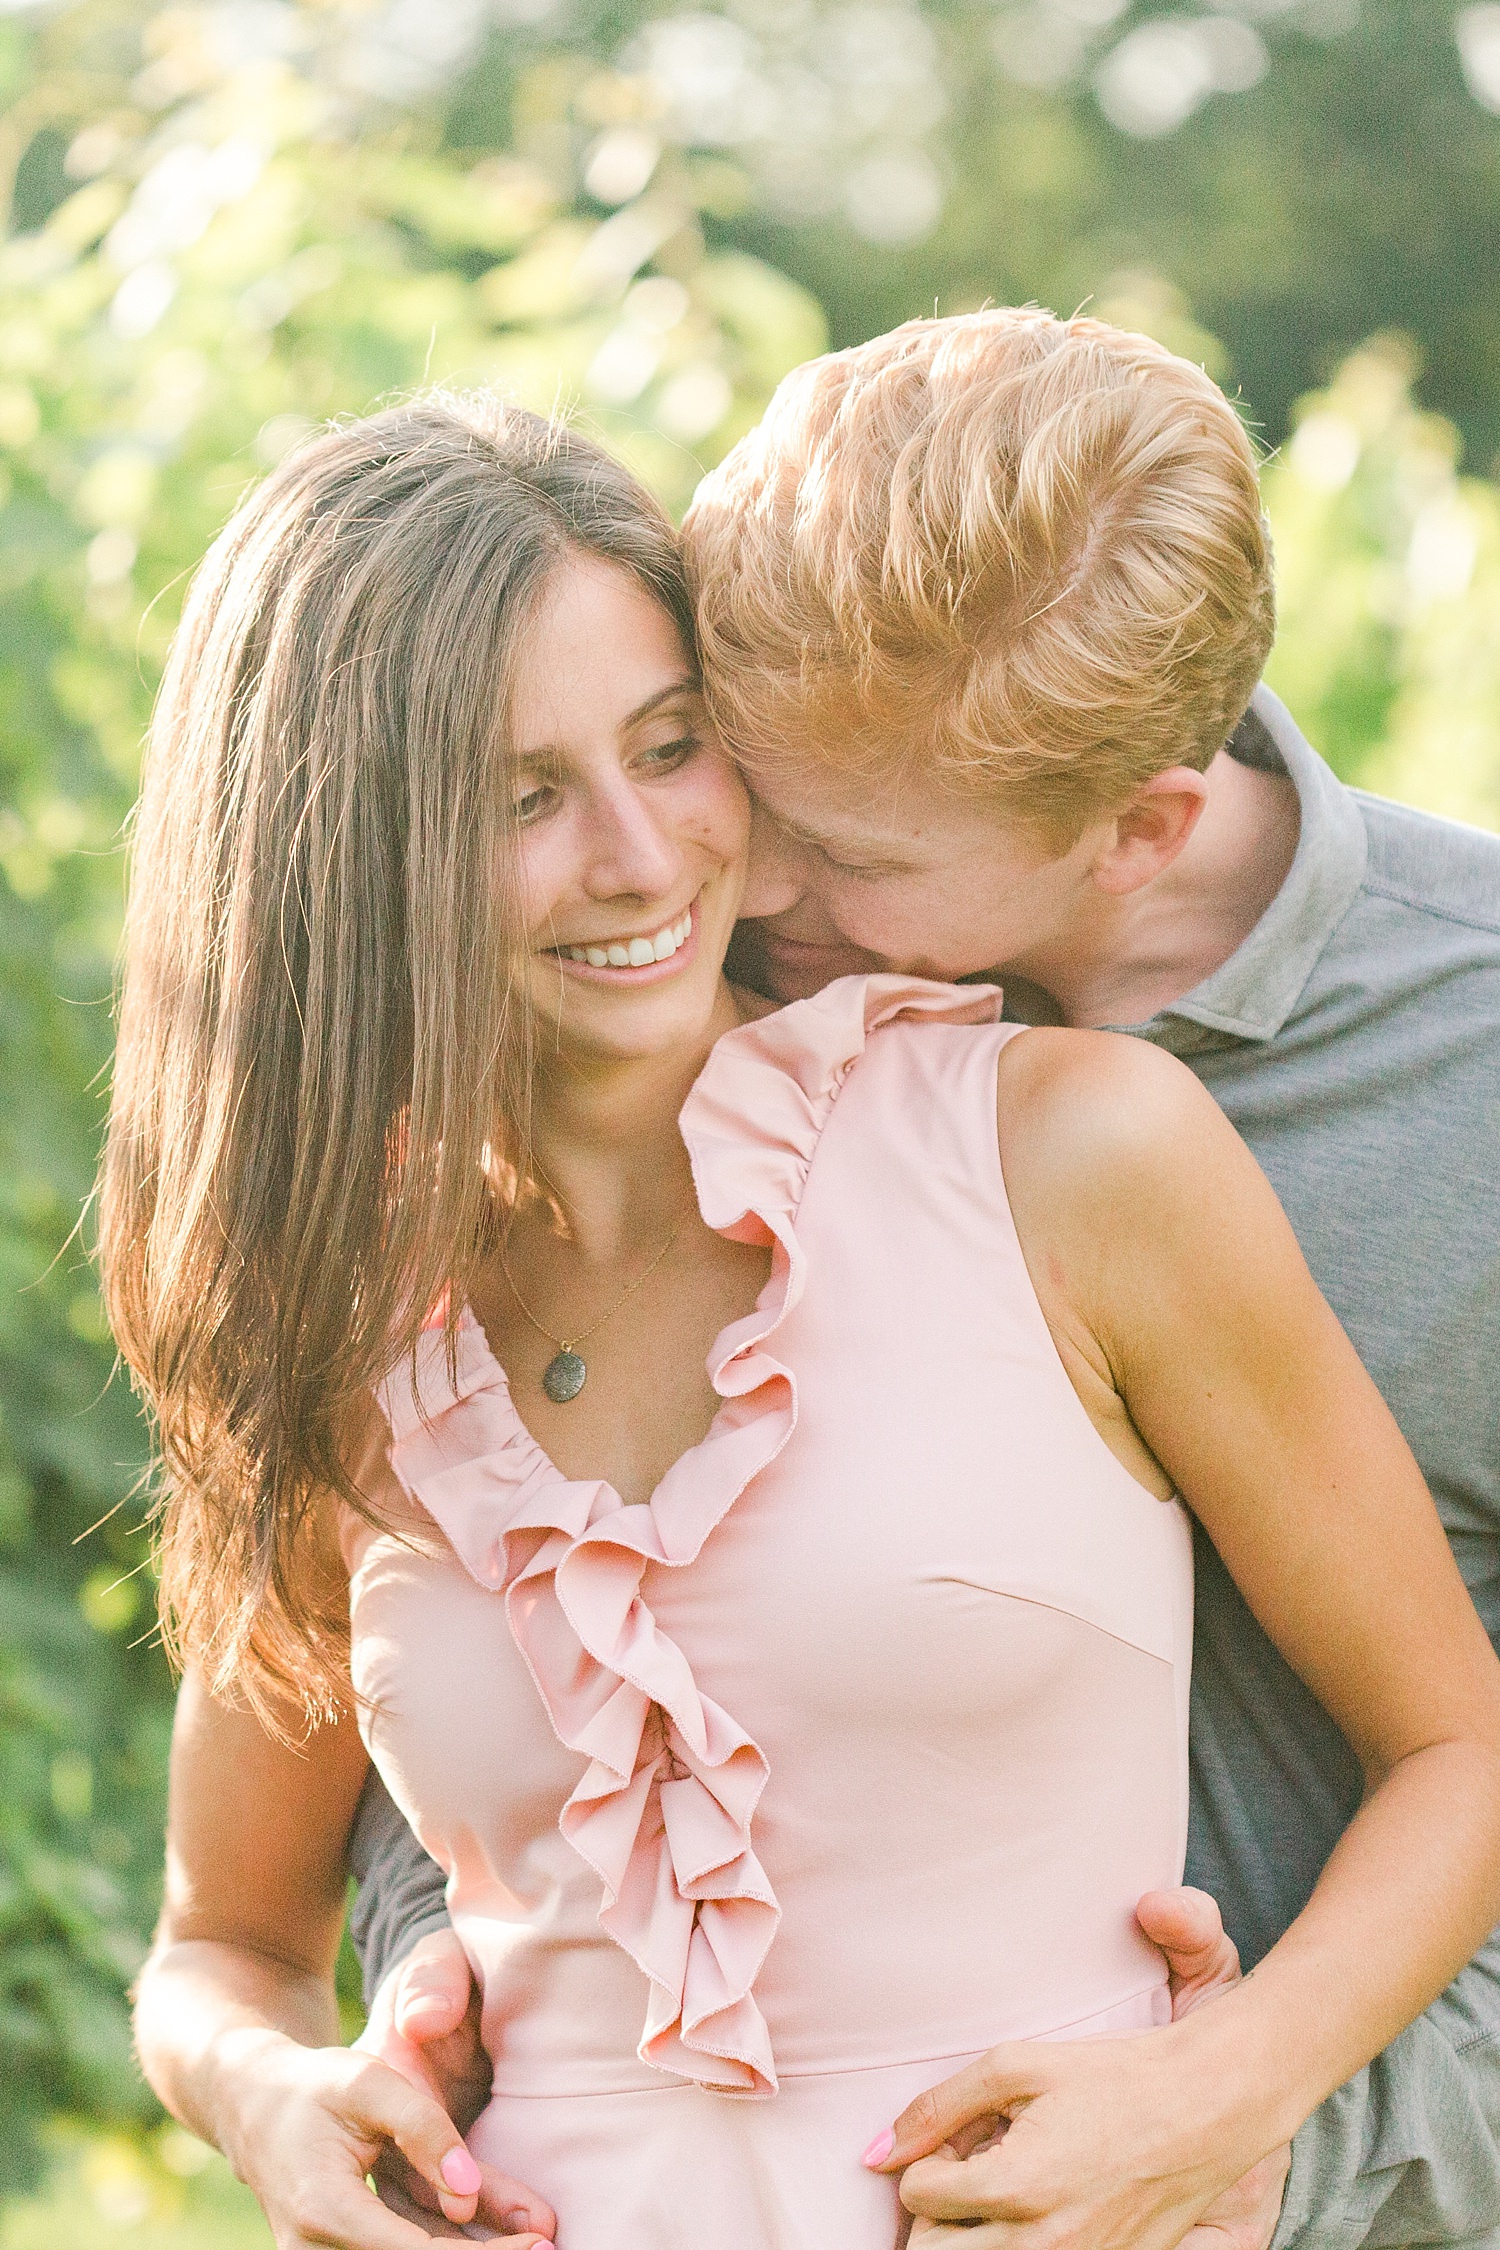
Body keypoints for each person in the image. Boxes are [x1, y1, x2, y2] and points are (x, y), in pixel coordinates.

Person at [114, 380, 1500, 2250]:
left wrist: (1242, 2097)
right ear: (349, 863)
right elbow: (224, 1933)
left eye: (674, 746)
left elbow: (1455, 1741)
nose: (692, 863)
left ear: (1139, 832)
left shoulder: (1074, 1145)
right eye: (525, 795)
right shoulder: (347, 1301)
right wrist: (282, 2094)